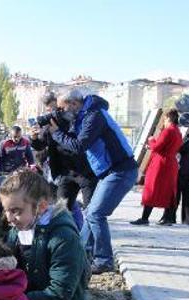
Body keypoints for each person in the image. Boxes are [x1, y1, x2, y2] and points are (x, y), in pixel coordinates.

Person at [0, 169, 90, 300]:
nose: (8, 218)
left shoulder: (63, 238)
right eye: (6, 210)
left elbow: (58, 294)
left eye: (15, 211)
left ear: (40, 207)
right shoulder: (20, 228)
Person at [48, 89, 138, 274]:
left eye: (62, 108)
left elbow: (79, 146)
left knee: (96, 214)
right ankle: (80, 253)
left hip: (120, 170)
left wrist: (56, 133)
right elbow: (74, 139)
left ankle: (104, 260)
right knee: (90, 213)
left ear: (73, 104)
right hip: (110, 172)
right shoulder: (84, 116)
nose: (61, 111)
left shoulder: (94, 116)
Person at [31, 92, 97, 209]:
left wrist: (57, 132)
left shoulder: (80, 119)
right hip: (65, 173)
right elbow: (40, 145)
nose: (54, 112)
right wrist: (34, 137)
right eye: (50, 110)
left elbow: (79, 145)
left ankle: (86, 226)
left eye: (57, 108)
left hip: (85, 171)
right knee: (62, 210)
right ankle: (71, 226)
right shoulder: (52, 123)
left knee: (91, 210)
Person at [131, 109, 183, 226]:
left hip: (160, 164)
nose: (164, 121)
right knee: (169, 190)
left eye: (164, 119)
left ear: (168, 118)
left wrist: (151, 140)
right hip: (171, 163)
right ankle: (168, 218)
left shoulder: (168, 131)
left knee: (152, 189)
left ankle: (145, 218)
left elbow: (157, 147)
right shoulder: (177, 131)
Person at [163, 138, 189, 225]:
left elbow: (180, 148)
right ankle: (188, 219)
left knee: (176, 192)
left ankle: (170, 217)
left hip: (186, 166)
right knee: (188, 193)